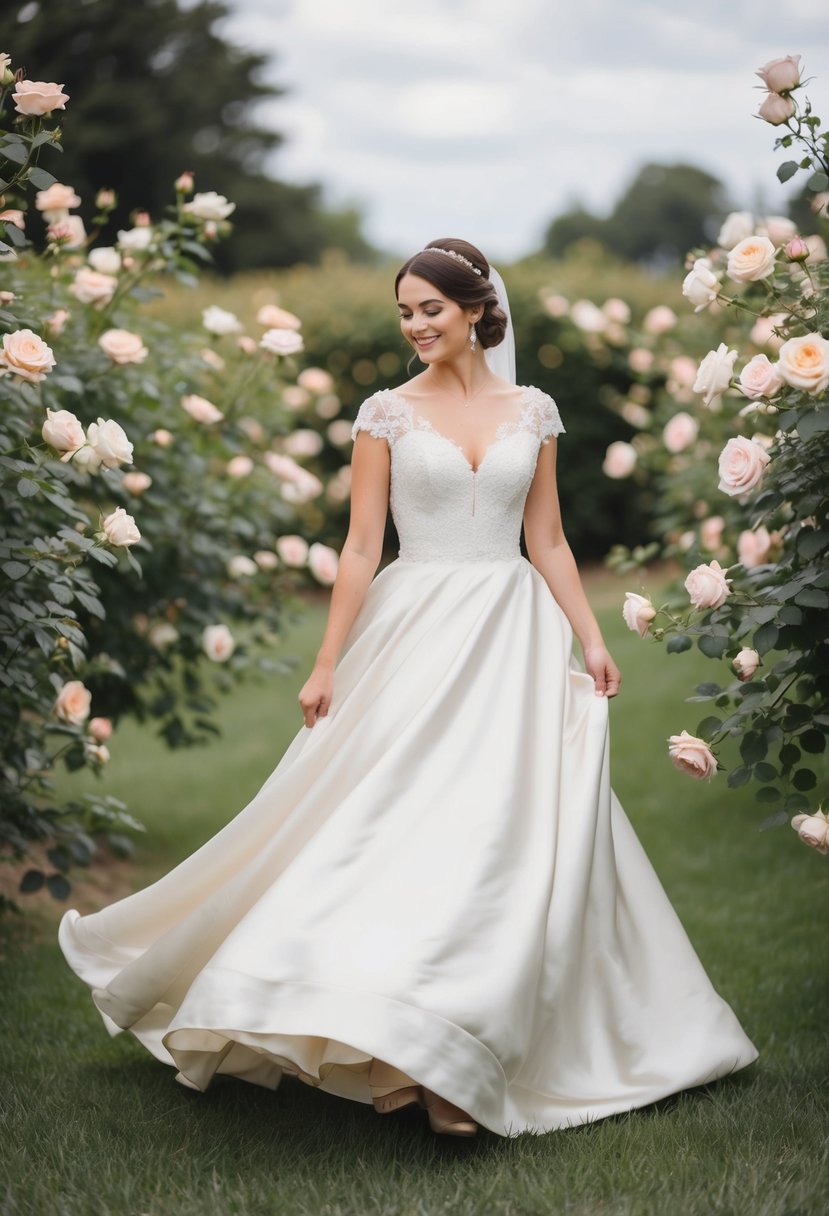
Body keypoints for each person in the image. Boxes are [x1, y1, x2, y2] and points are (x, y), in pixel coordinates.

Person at [59, 237, 758, 1140]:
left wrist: (590, 638)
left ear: (475, 310)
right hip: (416, 628)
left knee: (496, 839)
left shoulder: (534, 410)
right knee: (390, 827)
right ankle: (388, 1048)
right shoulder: (384, 413)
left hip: (512, 636)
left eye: (431, 308)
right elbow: (359, 547)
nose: (416, 325)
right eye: (404, 312)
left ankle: (450, 1051)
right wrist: (324, 663)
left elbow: (545, 539)